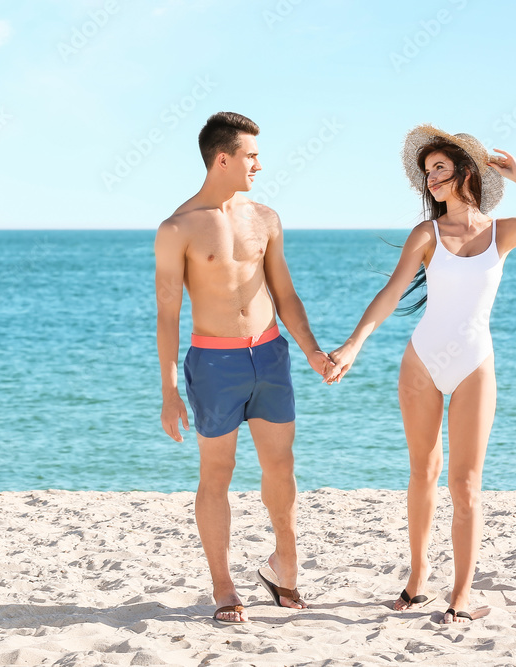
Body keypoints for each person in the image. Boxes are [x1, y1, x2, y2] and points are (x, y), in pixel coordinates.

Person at [325, 124, 516, 623]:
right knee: (423, 472)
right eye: (427, 173)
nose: (432, 179)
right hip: (422, 362)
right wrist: (354, 343)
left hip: (473, 366)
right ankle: (416, 580)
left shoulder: (501, 232)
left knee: (466, 485)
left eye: (439, 168)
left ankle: (460, 596)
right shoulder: (427, 234)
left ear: (466, 171)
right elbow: (393, 292)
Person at [154, 111, 333, 624]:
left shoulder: (266, 219)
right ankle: (224, 585)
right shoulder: (177, 227)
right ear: (223, 158)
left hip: (271, 354)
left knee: (281, 467)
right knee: (218, 472)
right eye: (251, 155)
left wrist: (313, 351)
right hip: (214, 362)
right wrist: (170, 391)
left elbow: (285, 294)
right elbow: (168, 313)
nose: (260, 163)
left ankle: (283, 567)